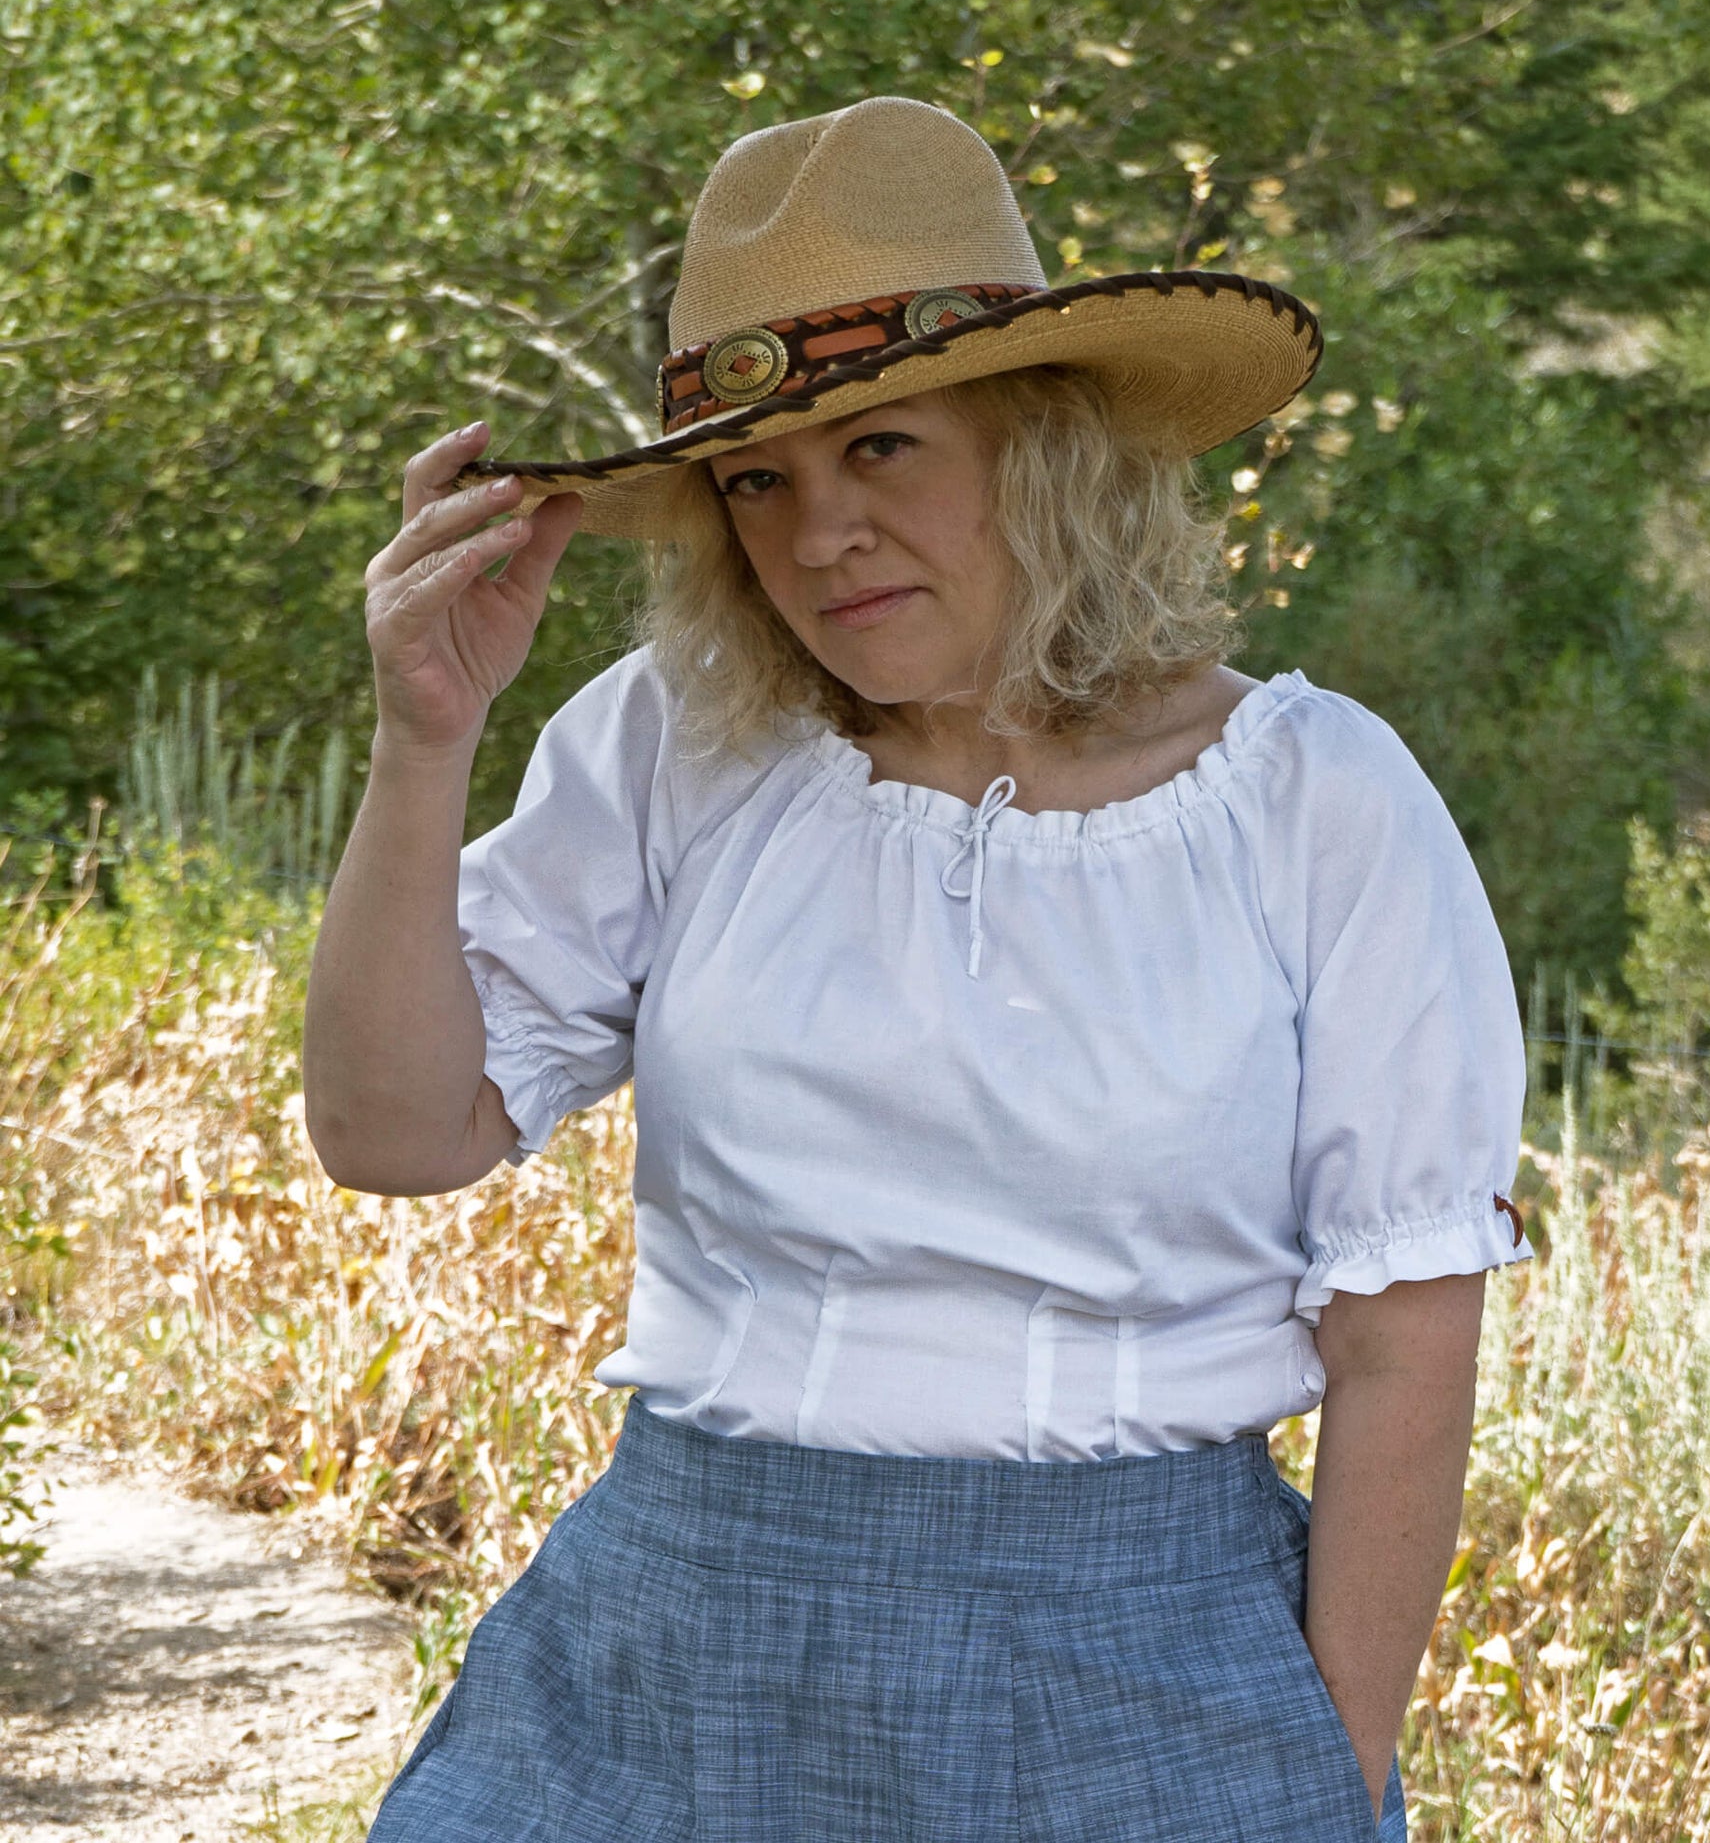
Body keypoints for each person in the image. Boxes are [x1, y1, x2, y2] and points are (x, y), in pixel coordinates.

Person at [304, 96, 1530, 1842]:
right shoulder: (683, 744)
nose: (816, 537)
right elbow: (391, 1131)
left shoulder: (1312, 801)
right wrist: (425, 742)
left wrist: (1316, 1774)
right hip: (669, 1647)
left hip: (1140, 1666)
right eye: (758, 479)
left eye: (882, 448)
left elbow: (1405, 1344)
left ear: (1041, 441)